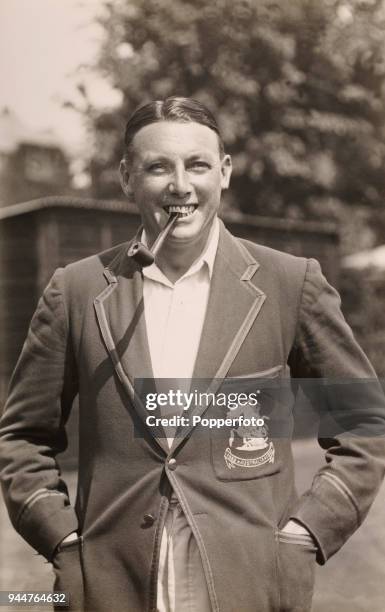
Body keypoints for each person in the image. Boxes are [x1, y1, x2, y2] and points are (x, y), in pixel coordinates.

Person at [0, 96, 384, 612]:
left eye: (197, 164)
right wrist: (64, 539)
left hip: (250, 584)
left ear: (223, 172)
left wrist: (305, 533)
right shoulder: (75, 290)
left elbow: (364, 422)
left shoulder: (290, 283)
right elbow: (22, 437)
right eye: (158, 166)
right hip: (113, 587)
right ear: (126, 178)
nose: (181, 185)